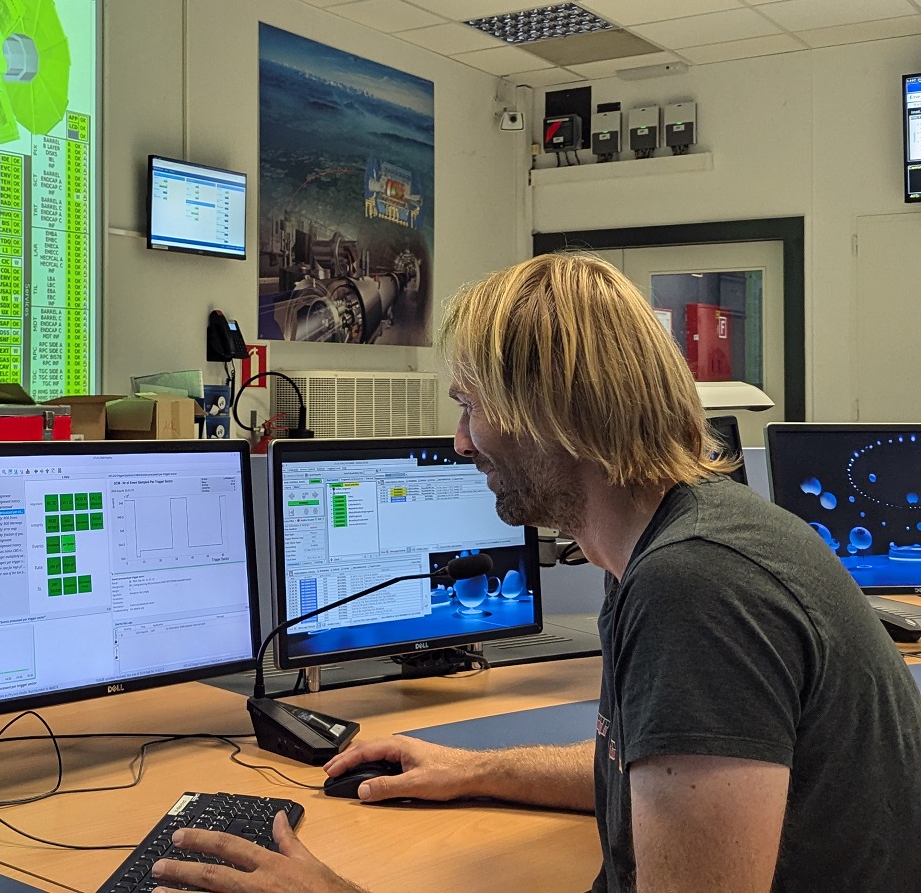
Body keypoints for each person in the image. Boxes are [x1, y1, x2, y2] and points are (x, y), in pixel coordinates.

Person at [152, 253, 921, 893]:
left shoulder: (695, 586)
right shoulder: (668, 539)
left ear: (551, 414)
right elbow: (648, 769)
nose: (460, 442)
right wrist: (475, 770)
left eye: (470, 406)